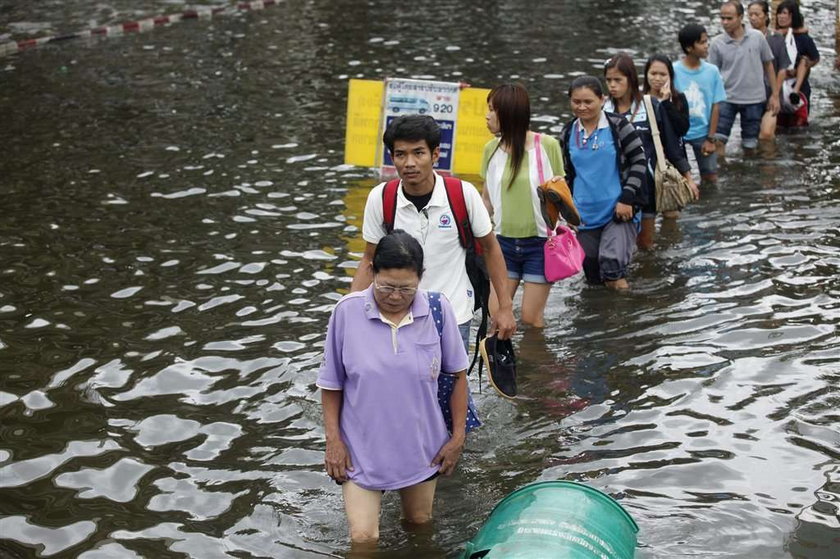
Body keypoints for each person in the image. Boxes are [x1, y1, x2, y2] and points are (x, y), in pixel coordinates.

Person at [319, 230, 470, 544]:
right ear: (372, 272)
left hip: (422, 447)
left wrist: (457, 438)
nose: (396, 296)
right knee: (362, 538)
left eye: (406, 288)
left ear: (420, 278)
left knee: (419, 523)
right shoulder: (346, 312)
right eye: (386, 286)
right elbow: (332, 384)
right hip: (360, 450)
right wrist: (333, 440)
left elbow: (457, 377)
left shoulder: (437, 310)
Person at [351, 115, 516, 347]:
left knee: (453, 382)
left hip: (453, 316)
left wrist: (505, 308)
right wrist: (349, 312)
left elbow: (491, 249)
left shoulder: (463, 194)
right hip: (398, 315)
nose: (409, 163)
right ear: (392, 158)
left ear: (435, 155)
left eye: (418, 153)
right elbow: (369, 259)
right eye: (401, 154)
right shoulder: (381, 198)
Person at [480, 83, 565, 328]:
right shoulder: (490, 150)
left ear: (509, 113)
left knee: (530, 319)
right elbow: (486, 200)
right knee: (496, 316)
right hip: (502, 244)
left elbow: (561, 192)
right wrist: (477, 238)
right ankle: (499, 364)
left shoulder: (546, 145)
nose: (487, 116)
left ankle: (535, 363)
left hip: (540, 243)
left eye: (492, 109)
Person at [560, 76, 647, 290]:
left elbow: (639, 161)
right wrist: (566, 212)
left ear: (602, 99)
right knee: (592, 276)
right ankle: (599, 318)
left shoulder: (619, 126)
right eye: (576, 102)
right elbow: (565, 175)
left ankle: (624, 319)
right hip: (584, 216)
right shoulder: (568, 132)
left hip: (618, 211)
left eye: (588, 102)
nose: (582, 107)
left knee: (612, 269)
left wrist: (627, 198)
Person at [604, 53, 695, 249]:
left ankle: (649, 274)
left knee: (644, 243)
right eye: (609, 80)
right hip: (612, 185)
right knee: (615, 243)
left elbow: (671, 144)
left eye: (617, 80)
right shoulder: (603, 109)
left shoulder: (650, 105)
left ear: (631, 80)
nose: (612, 85)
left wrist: (687, 176)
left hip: (646, 185)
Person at [709, 0, 781, 150]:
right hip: (726, 98)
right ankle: (720, 171)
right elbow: (712, 75)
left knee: (750, 144)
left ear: (740, 17)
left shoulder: (757, 37)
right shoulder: (717, 43)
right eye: (722, 18)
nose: (725, 22)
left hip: (753, 99)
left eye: (729, 18)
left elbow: (769, 65)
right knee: (717, 141)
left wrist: (775, 95)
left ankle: (749, 172)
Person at [642, 53, 701, 217]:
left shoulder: (678, 99)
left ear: (670, 76)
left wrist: (666, 103)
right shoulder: (638, 100)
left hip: (670, 161)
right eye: (653, 74)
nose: (657, 79)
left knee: (671, 212)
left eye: (663, 74)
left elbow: (682, 129)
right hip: (646, 160)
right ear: (646, 74)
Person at [674, 23, 727, 185]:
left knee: (710, 177)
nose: (707, 46)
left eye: (706, 41)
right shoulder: (673, 70)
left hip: (703, 133)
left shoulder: (712, 71)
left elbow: (715, 106)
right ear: (689, 48)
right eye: (702, 42)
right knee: (678, 179)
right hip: (679, 134)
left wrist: (710, 139)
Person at [748, 0, 793, 139]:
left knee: (766, 134)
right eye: (750, 15)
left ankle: (770, 158)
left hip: (770, 93)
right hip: (750, 96)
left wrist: (775, 95)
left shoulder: (776, 39)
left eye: (757, 14)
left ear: (766, 16)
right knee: (751, 136)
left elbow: (782, 69)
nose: (753, 18)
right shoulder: (744, 39)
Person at [774, 0, 820, 128]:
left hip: (799, 87)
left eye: (785, 13)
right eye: (779, 13)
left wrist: (803, 68)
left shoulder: (803, 38)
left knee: (799, 128)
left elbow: (815, 58)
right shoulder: (774, 37)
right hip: (779, 85)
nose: (781, 17)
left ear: (792, 16)